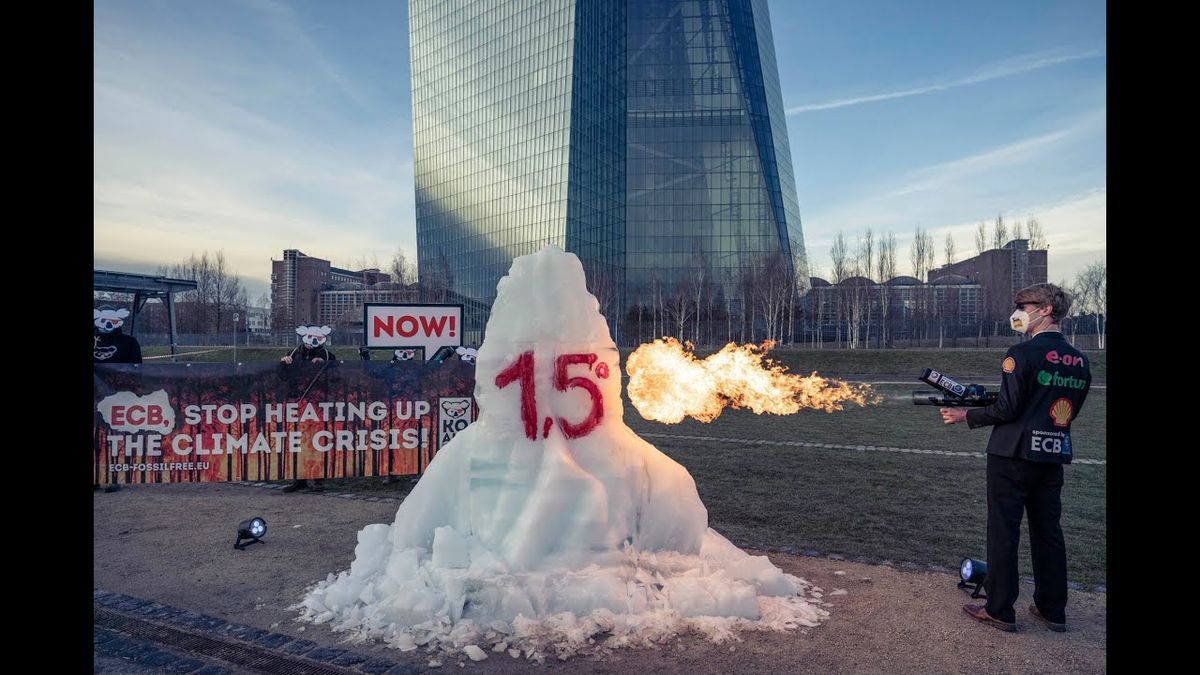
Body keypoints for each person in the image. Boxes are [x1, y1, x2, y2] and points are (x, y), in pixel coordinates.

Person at [939, 283, 1091, 633]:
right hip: (1052, 454)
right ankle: (1053, 609)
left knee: (1004, 532)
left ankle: (1000, 608)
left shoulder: (1020, 354)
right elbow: (1066, 411)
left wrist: (967, 416)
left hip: (1011, 457)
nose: (1018, 312)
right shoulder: (1080, 361)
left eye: (1024, 305)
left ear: (1046, 310)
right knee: (1048, 532)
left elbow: (1008, 408)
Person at [281, 325, 337, 493]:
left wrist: (325, 364)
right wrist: (283, 364)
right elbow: (283, 376)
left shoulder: (327, 355)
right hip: (297, 402)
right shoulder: (294, 353)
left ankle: (319, 479)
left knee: (318, 441)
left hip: (317, 403)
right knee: (298, 440)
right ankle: (300, 478)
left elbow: (336, 374)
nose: (312, 341)